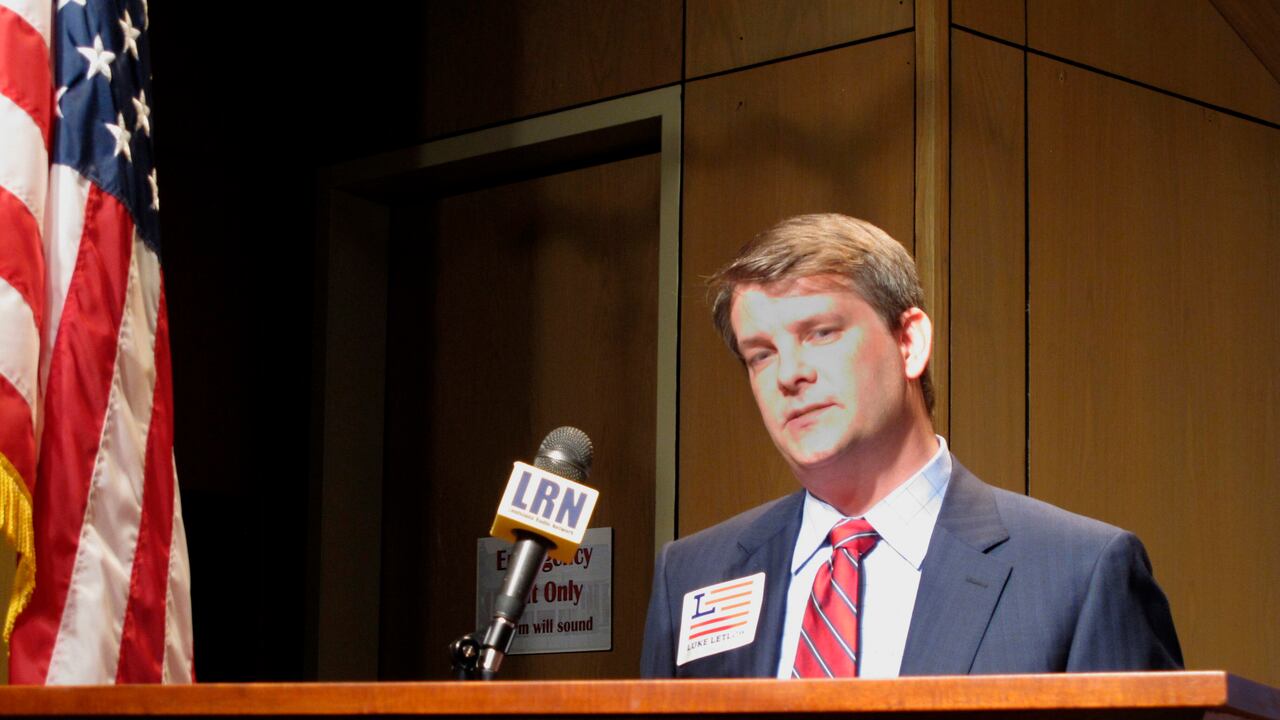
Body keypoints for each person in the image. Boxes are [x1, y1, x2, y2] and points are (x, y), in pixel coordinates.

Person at [640, 213, 1181, 678]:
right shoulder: (692, 576)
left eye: (821, 333)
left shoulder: (1078, 573)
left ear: (909, 342)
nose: (790, 374)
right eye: (761, 354)